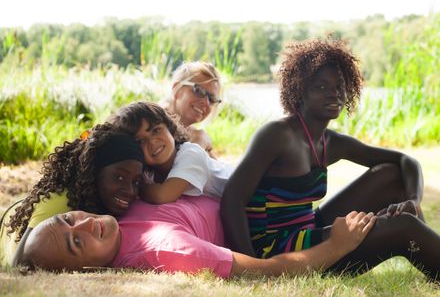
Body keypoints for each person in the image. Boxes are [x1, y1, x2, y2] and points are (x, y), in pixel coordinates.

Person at [220, 38, 440, 283]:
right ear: (299, 90)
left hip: (308, 227)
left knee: (391, 175)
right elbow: (232, 200)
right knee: (401, 227)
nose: (334, 94)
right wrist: (254, 269)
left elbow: (405, 162)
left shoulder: (330, 142)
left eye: (339, 87)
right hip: (276, 247)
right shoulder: (277, 135)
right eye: (321, 87)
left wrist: (414, 200)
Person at [19, 196, 377, 277]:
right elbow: (267, 271)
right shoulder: (168, 251)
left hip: (280, 201)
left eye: (69, 219)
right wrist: (338, 245)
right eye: (76, 243)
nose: (84, 225)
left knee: (391, 173)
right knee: (396, 228)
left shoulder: (115, 204)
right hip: (280, 230)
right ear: (85, 270)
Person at [0, 124, 145, 267]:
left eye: (136, 182)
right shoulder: (59, 202)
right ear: (94, 173)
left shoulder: (112, 205)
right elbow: (20, 265)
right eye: (119, 177)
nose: (130, 190)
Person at [108, 101, 232, 204]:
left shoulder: (190, 154)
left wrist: (138, 186)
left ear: (170, 129)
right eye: (140, 141)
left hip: (246, 193)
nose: (152, 142)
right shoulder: (150, 173)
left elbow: (162, 196)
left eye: (156, 130)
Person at [164, 61, 222, 158]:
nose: (206, 102)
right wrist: (199, 141)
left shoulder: (191, 133)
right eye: (198, 91)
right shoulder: (153, 124)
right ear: (176, 89)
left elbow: (219, 170)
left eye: (212, 99)